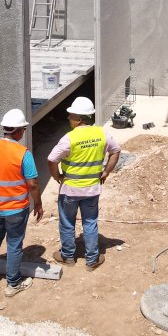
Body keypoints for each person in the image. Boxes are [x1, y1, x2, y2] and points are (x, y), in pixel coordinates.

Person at [47, 97, 120, 271]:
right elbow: (115, 150)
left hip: (70, 190)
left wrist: (57, 176)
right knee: (90, 222)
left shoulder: (69, 138)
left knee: (67, 223)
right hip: (92, 189)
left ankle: (68, 256)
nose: (68, 118)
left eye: (71, 116)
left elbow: (51, 159)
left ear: (79, 119)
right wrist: (106, 172)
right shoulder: (101, 134)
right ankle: (92, 259)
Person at [0, 108, 44, 297]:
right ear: (18, 131)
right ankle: (13, 283)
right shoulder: (23, 153)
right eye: (23, 129)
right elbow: (32, 184)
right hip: (15, 209)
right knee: (14, 243)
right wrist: (37, 204)